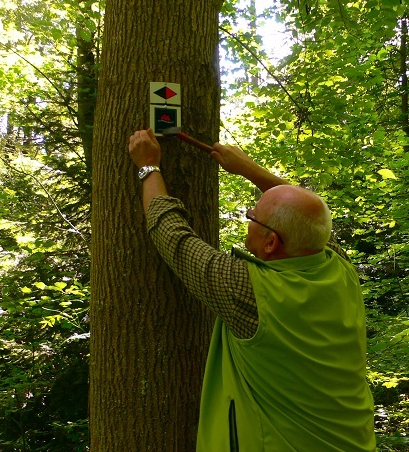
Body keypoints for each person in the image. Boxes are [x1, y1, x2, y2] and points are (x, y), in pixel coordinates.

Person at [128, 128, 376, 452]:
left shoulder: (248, 292)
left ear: (271, 243)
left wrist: (149, 167)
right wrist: (248, 168)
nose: (249, 219)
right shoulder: (338, 267)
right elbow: (308, 215)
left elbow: (172, 236)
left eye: (252, 216)